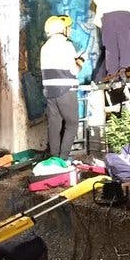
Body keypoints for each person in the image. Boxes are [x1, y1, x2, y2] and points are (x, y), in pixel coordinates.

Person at [40, 15, 83, 160]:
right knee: (72, 124)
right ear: (61, 29)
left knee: (54, 126)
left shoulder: (44, 47)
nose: (68, 29)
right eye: (67, 27)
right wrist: (80, 61)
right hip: (65, 90)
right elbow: (74, 70)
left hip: (49, 92)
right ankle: (63, 158)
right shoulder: (66, 45)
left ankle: (54, 158)